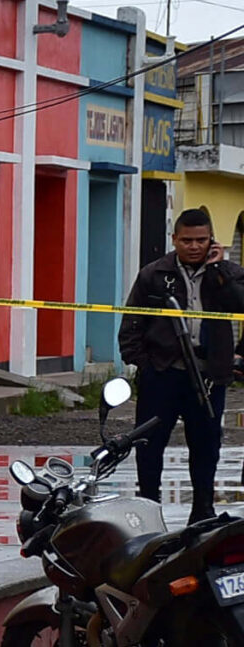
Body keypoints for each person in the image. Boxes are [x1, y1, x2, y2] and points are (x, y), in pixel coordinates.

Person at [119, 207, 244, 524]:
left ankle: (203, 508)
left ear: (211, 240)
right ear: (174, 239)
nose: (193, 246)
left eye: (201, 240)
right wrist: (144, 364)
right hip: (162, 373)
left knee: (206, 445)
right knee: (149, 444)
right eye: (186, 240)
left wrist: (218, 271)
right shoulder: (154, 275)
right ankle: (149, 506)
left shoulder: (228, 273)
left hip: (208, 373)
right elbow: (132, 323)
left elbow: (239, 304)